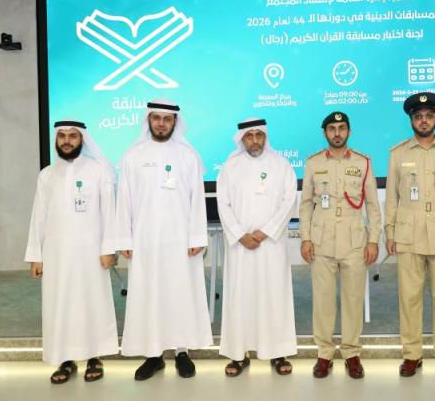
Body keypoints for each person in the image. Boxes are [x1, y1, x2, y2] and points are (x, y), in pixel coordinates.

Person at [113, 100, 212, 381]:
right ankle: (153, 355)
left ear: (175, 122)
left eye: (167, 119)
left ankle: (182, 352)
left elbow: (197, 200)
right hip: (144, 241)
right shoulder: (132, 156)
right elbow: (124, 200)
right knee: (149, 295)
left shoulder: (188, 156)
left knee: (181, 293)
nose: (161, 123)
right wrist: (124, 238)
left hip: (181, 241)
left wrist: (197, 236)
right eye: (156, 118)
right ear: (148, 120)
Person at [25, 120, 119, 384]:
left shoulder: (98, 171)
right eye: (62, 136)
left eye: (72, 136)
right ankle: (65, 359)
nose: (66, 141)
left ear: (82, 140)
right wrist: (36, 256)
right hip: (56, 255)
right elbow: (38, 216)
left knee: (92, 303)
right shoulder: (47, 175)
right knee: (60, 306)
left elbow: (108, 213)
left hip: (91, 253)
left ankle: (94, 357)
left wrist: (108, 249)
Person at [385, 92, 435, 378]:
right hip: (408, 232)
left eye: (429, 116)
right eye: (418, 117)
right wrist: (390, 232)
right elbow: (392, 198)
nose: (424, 121)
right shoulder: (398, 153)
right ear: (411, 120)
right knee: (409, 297)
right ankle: (412, 355)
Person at [299, 111, 381, 379]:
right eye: (332, 129)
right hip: (321, 242)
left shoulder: (363, 162)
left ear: (349, 132)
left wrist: (373, 240)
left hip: (354, 241)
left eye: (342, 128)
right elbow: (306, 204)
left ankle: (351, 353)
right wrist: (305, 237)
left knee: (353, 299)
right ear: (325, 133)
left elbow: (373, 206)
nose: (337, 133)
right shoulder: (313, 163)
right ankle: (324, 354)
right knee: (322, 300)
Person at [216, 118, 298, 377]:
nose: (254, 140)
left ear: (265, 137)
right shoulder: (230, 167)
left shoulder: (281, 165)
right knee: (240, 298)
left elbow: (289, 201)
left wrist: (264, 232)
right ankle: (238, 355)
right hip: (240, 247)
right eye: (249, 136)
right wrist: (240, 235)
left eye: (258, 135)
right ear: (242, 139)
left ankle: (278, 352)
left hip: (271, 245)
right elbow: (223, 204)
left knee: (274, 297)